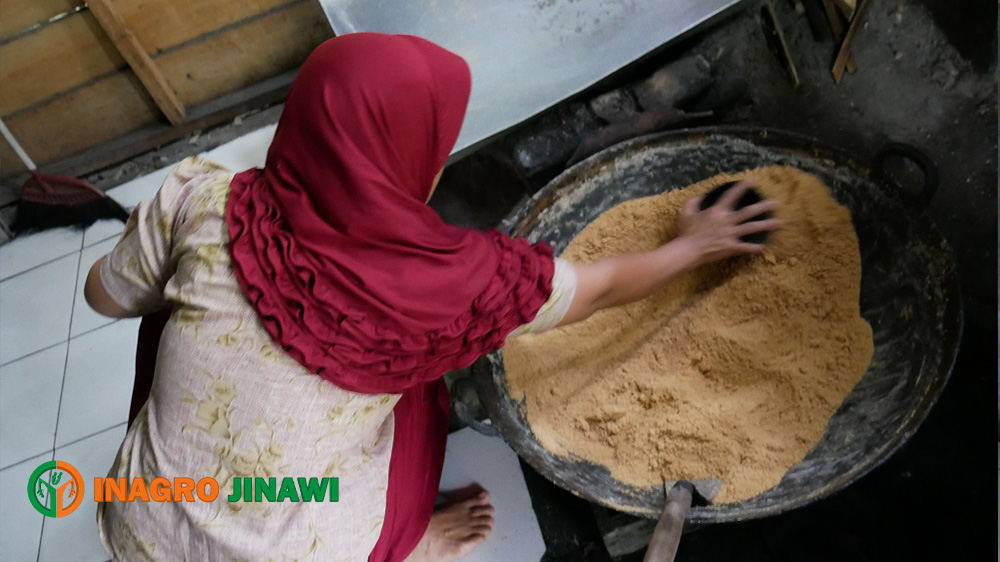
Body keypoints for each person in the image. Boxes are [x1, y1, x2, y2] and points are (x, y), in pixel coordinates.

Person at [84, 33, 779, 562]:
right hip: (300, 551)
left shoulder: (204, 198)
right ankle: (415, 544)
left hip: (134, 518)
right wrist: (693, 246)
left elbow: (103, 298)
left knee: (176, 303)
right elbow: (599, 289)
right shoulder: (457, 284)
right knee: (416, 397)